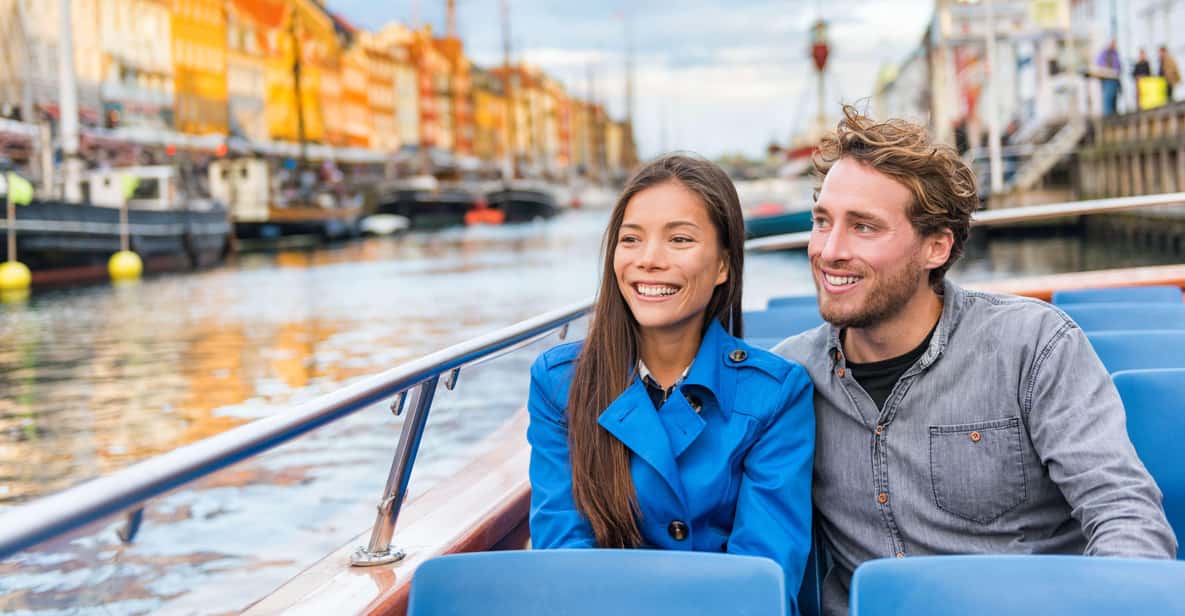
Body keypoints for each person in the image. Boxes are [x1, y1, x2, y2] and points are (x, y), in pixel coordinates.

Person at [774, 106, 1177, 616]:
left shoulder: (1033, 346)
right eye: (822, 222)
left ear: (936, 247)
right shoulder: (788, 376)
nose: (829, 250)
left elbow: (1122, 512)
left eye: (864, 228)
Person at [527, 154, 815, 612]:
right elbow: (564, 555)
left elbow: (765, 575)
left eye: (679, 239)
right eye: (631, 240)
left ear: (723, 265)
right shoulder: (559, 383)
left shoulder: (777, 393)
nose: (648, 260)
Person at [1095, 39, 1122, 116]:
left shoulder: (1115, 53)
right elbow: (1100, 64)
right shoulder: (1104, 53)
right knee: (1108, 97)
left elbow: (1118, 65)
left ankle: (1113, 113)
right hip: (1107, 78)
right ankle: (1108, 115)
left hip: (1115, 78)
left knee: (1113, 97)